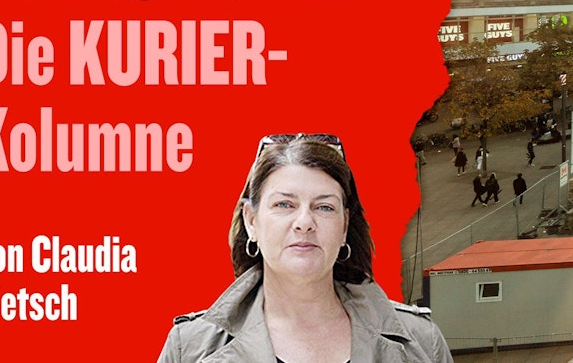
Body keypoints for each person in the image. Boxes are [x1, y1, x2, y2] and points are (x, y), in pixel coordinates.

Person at [160, 134, 451, 362]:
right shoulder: (190, 349)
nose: (304, 222)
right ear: (251, 221)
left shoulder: (421, 344)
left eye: (324, 207)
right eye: (284, 204)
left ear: (344, 226)